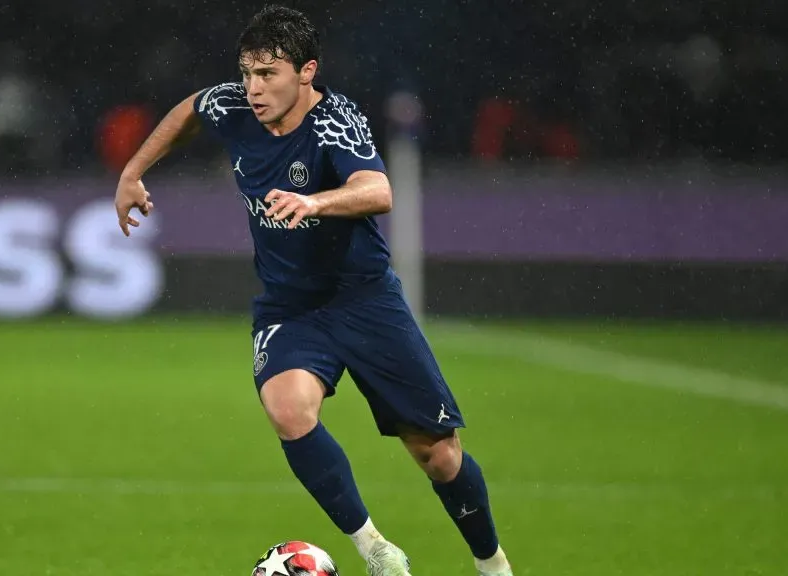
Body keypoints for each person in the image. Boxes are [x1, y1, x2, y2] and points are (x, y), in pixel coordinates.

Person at [113, 5, 515, 576]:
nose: (252, 88)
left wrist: (314, 202)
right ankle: (376, 550)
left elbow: (378, 191)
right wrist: (133, 172)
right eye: (247, 73)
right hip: (291, 306)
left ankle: (493, 564)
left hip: (365, 300)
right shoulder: (233, 104)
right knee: (288, 410)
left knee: (438, 455)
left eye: (268, 74)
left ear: (306, 72)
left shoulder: (335, 121)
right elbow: (190, 110)